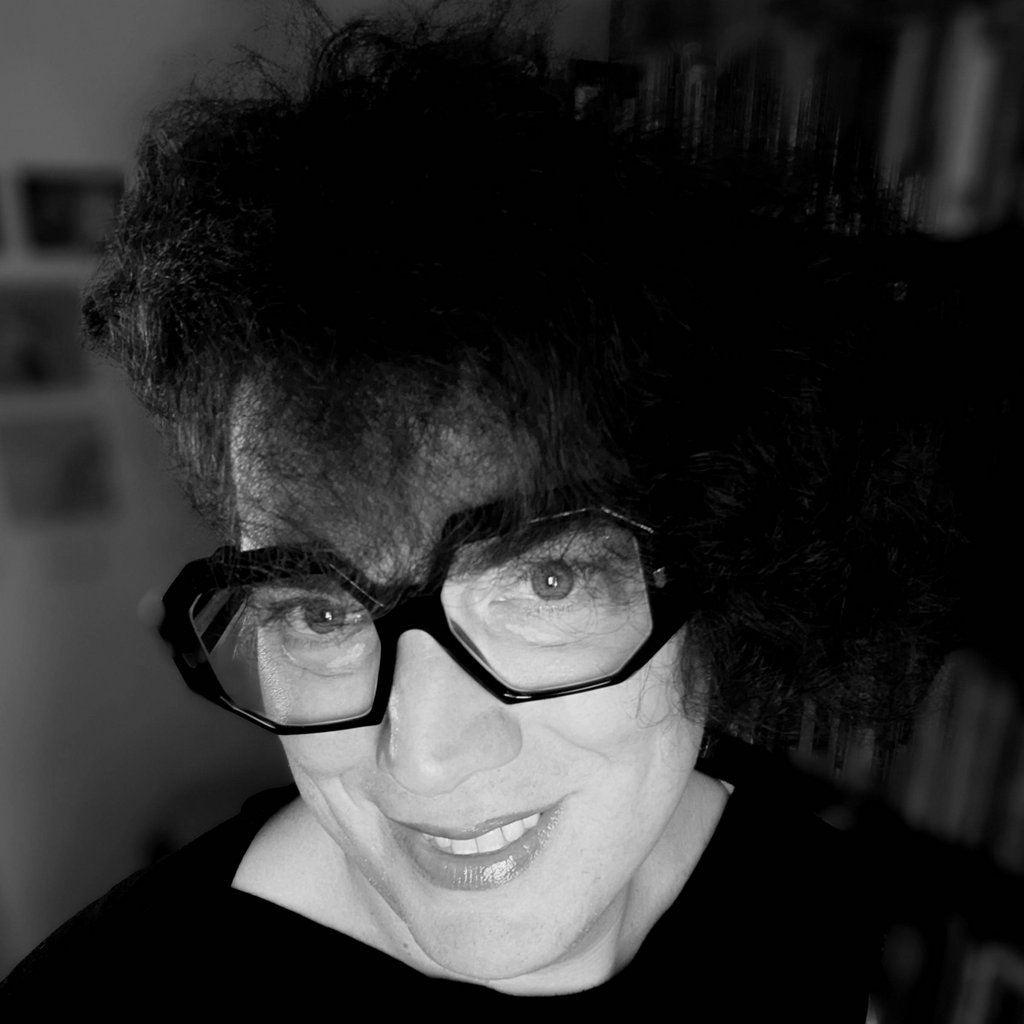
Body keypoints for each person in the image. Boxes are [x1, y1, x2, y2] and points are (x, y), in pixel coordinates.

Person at [1, 2, 959, 1016]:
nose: (422, 757)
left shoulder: (800, 895)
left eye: (547, 580)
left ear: (723, 567)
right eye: (320, 612)